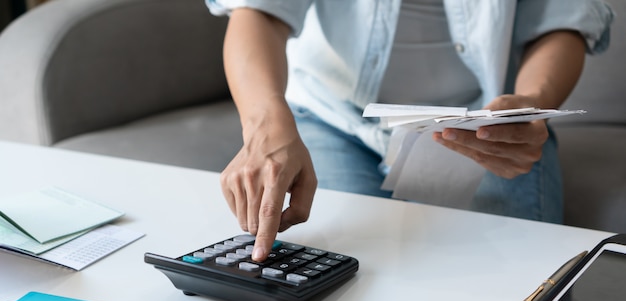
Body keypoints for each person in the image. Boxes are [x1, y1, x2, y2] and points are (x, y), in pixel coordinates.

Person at [206, 0, 614, 262]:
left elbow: (562, 18)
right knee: (324, 276)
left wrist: (532, 100)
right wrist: (265, 124)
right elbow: (258, 11)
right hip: (334, 115)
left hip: (482, 123)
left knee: (516, 285)